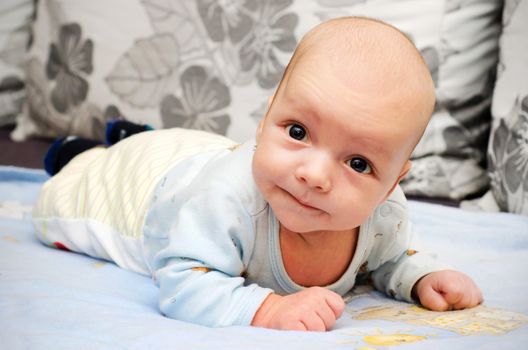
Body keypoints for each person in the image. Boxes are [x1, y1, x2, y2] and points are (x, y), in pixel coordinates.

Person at [32, 16, 482, 332]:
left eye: (358, 163)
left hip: (220, 156)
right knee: (82, 184)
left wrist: (421, 277)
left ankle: (132, 134)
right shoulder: (225, 200)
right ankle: (88, 151)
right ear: (268, 116)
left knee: (171, 143)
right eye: (299, 131)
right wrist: (266, 309)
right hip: (157, 183)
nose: (314, 174)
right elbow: (181, 281)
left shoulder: (384, 216)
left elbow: (386, 261)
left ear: (392, 184)